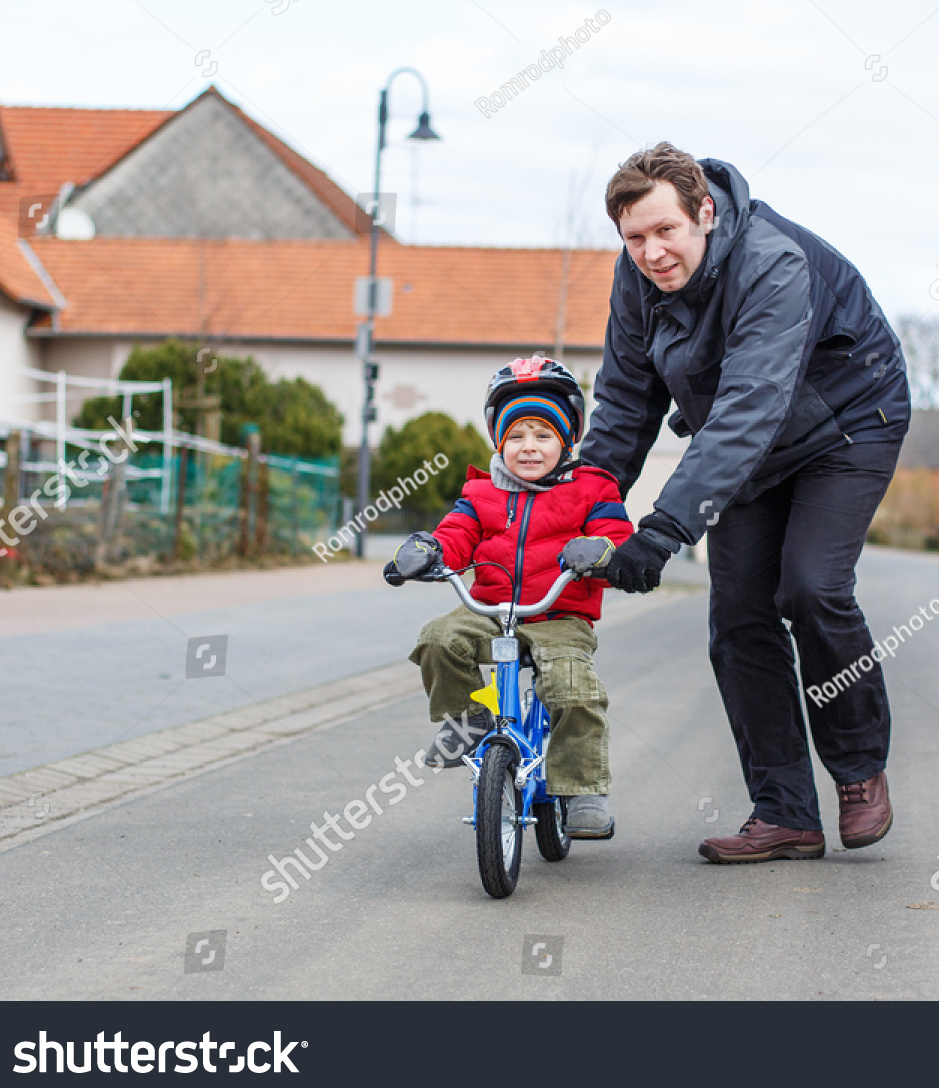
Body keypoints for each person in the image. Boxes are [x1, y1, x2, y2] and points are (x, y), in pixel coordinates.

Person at [580, 142, 911, 863]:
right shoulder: (635, 282)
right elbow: (627, 401)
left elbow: (748, 407)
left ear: (704, 212)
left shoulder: (771, 261)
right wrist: (580, 503)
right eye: (634, 237)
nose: (652, 252)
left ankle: (858, 771)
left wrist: (662, 529)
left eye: (665, 231)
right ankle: (785, 812)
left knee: (811, 585)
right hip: (749, 440)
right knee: (737, 615)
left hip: (846, 423)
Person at [385, 356, 633, 840]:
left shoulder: (593, 488)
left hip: (558, 613)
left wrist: (601, 551)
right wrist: (430, 551)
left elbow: (615, 537)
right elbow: (456, 534)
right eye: (516, 436)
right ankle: (467, 721)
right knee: (439, 639)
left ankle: (581, 787)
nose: (529, 448)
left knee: (571, 685)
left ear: (566, 440)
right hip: (492, 610)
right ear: (500, 441)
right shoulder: (480, 493)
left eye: (543, 435)